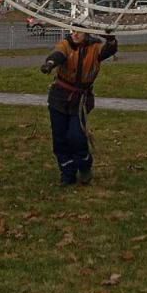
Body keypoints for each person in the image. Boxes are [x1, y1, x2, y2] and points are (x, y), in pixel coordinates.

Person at [41, 27, 117, 186]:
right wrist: (50, 64)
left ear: (87, 33)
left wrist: (110, 40)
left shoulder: (95, 48)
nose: (75, 34)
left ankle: (84, 166)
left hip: (80, 100)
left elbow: (108, 51)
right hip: (59, 98)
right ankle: (67, 174)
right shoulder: (66, 45)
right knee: (60, 138)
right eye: (73, 31)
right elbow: (58, 54)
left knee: (76, 136)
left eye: (79, 31)